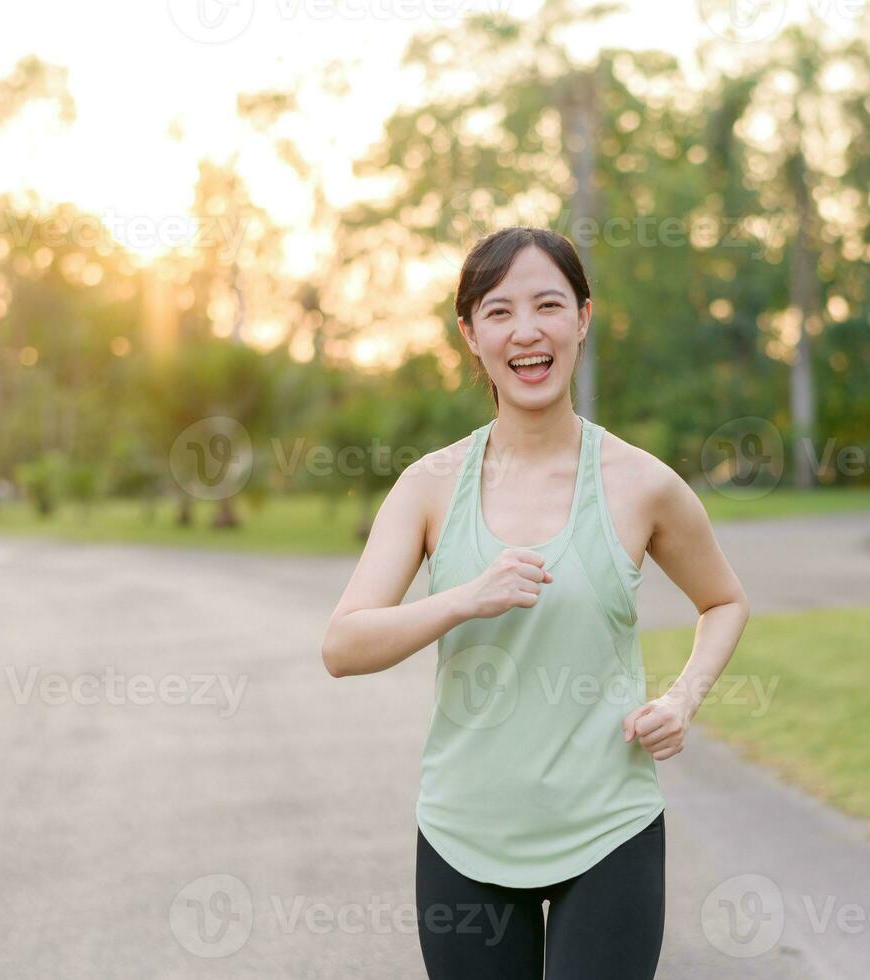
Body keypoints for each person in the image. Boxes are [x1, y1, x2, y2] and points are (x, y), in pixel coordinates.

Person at [321, 225, 750, 979]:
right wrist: (461, 599)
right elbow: (343, 646)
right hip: (464, 833)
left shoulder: (639, 482)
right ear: (470, 335)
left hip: (608, 829)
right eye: (498, 312)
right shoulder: (428, 487)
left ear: (582, 318)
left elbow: (723, 601)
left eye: (548, 305)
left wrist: (683, 699)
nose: (527, 332)